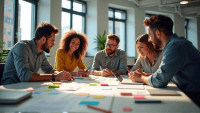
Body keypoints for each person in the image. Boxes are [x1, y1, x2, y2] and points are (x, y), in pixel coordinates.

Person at [128, 15, 200, 106]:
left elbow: (159, 81)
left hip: (194, 98)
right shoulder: (174, 45)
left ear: (158, 34)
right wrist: (145, 75)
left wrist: (140, 78)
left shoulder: (175, 47)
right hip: (187, 94)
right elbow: (165, 75)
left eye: (150, 36)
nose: (149, 40)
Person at [1, 22, 74, 85]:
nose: (53, 45)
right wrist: (56, 77)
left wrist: (62, 74)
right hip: (10, 89)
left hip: (25, 87)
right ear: (43, 39)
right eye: (52, 41)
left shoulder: (41, 53)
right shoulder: (22, 47)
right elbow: (25, 76)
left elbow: (49, 70)